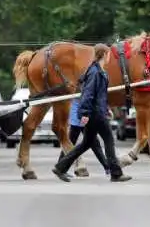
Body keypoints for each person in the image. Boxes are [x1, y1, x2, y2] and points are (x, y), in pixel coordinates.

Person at [53, 44, 131, 182]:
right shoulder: (95, 72)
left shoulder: (97, 70)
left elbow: (99, 95)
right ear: (104, 55)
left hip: (96, 112)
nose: (109, 58)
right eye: (108, 55)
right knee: (109, 139)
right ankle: (116, 173)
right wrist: (84, 114)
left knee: (86, 143)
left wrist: (106, 109)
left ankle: (60, 167)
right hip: (95, 114)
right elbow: (88, 94)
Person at [58, 96, 110, 176]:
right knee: (89, 141)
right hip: (80, 110)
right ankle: (60, 168)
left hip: (83, 108)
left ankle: (60, 167)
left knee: (91, 141)